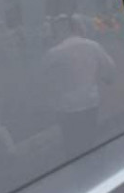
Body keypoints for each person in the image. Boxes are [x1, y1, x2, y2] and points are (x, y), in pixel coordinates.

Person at [43, 15, 117, 156]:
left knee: (71, 144)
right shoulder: (93, 46)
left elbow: (45, 80)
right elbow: (110, 70)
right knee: (89, 139)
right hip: (90, 103)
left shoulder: (54, 53)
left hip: (66, 107)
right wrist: (105, 80)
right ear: (77, 28)